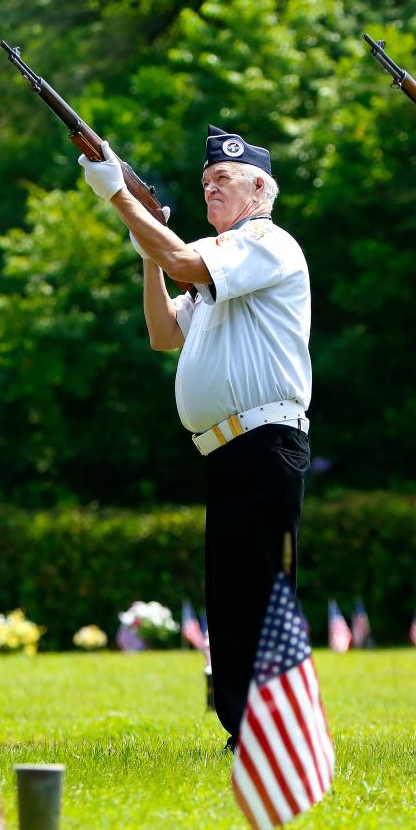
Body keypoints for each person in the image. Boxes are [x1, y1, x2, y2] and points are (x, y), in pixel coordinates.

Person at [78, 126, 311, 749]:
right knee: (230, 594)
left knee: (260, 588)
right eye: (205, 182)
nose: (210, 188)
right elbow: (162, 331)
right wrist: (146, 249)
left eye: (223, 181)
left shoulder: (263, 240)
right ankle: (246, 727)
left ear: (259, 189)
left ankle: (276, 724)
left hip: (264, 440)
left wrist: (121, 201)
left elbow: (185, 261)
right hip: (228, 447)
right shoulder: (221, 261)